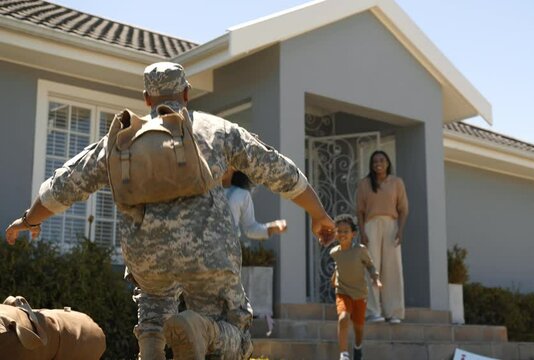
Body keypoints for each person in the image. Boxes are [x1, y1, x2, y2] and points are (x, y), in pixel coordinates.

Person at [4, 62, 336, 360]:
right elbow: (280, 171)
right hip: (208, 254)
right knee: (230, 327)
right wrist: (319, 214)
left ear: (146, 98)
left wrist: (29, 219)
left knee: (153, 308)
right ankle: (203, 330)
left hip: (147, 256)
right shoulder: (216, 130)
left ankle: (151, 346)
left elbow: (67, 182)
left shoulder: (123, 138)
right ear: (187, 93)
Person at [356, 150, 409, 324]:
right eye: (375, 161)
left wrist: (400, 230)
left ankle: (393, 312)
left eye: (382, 160)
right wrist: (362, 232)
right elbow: (360, 210)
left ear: (387, 163)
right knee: (372, 268)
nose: (378, 163)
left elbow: (403, 209)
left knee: (392, 269)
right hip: (371, 225)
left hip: (391, 225)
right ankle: (372, 310)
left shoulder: (396, 183)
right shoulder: (365, 184)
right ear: (371, 165)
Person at [330, 215, 381, 360]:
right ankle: (344, 354)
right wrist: (334, 278)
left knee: (358, 329)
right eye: (339, 231)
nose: (342, 234)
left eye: (346, 231)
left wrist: (376, 279)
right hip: (343, 291)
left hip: (359, 294)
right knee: (343, 317)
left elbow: (370, 266)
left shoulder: (360, 250)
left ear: (354, 234)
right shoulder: (334, 252)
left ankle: (358, 347)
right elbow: (338, 267)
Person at [222, 169, 287, 240]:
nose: (221, 164)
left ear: (234, 167)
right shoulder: (208, 190)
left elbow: (250, 228)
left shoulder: (242, 194)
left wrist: (270, 228)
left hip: (228, 249)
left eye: (226, 160)